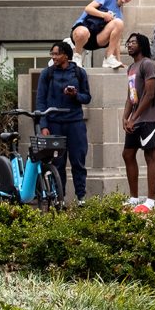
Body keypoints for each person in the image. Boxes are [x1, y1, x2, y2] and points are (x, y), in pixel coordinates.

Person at [35, 40, 92, 199]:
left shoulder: (79, 73)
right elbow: (40, 101)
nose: (53, 57)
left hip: (75, 124)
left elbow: (87, 98)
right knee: (57, 163)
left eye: (56, 54)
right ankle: (60, 199)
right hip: (54, 124)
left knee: (78, 162)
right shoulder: (47, 73)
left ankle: (81, 198)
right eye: (52, 54)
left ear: (66, 55)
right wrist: (43, 124)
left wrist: (75, 95)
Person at [120, 32, 155, 208]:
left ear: (142, 45)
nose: (129, 45)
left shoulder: (147, 65)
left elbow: (150, 94)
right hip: (136, 119)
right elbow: (132, 95)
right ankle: (133, 198)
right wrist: (125, 117)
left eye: (133, 42)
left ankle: (150, 201)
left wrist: (134, 117)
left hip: (149, 118)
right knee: (128, 154)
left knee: (150, 155)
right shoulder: (131, 67)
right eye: (128, 42)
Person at [72, 0, 138, 66]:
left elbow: (116, 40)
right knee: (83, 32)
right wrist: (104, 15)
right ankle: (77, 56)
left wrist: (118, 60)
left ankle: (109, 58)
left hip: (96, 40)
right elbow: (88, 8)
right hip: (82, 30)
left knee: (119, 23)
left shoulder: (119, 15)